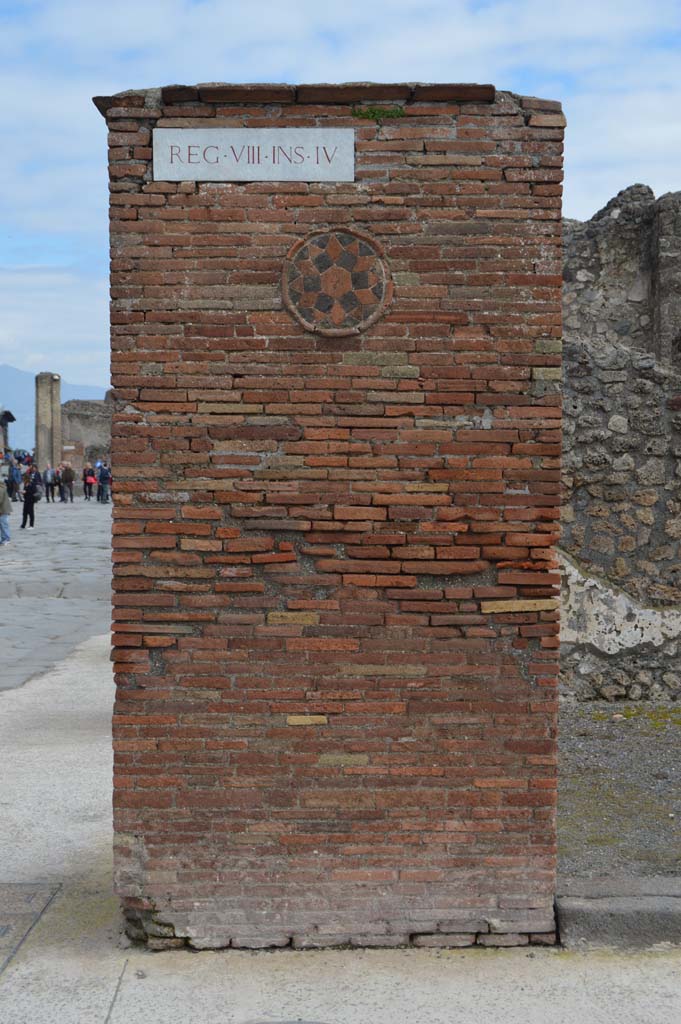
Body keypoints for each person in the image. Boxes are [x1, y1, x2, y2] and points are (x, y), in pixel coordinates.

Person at [21, 465, 42, 529]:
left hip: (31, 500)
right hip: (26, 500)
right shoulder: (25, 484)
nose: (23, 479)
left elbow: (33, 491)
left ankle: (31, 525)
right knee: (24, 513)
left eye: (23, 478)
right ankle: (23, 525)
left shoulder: (31, 484)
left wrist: (25, 492)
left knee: (31, 513)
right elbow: (25, 491)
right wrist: (23, 492)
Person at [0, 478, 11, 546]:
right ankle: (3, 539)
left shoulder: (0, 489)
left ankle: (6, 539)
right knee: (3, 525)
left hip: (3, 510)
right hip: (3, 510)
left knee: (4, 525)